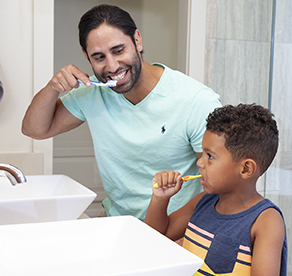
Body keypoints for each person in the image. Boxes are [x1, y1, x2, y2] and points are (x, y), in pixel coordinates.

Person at [22, 4, 221, 221]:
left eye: (118, 51)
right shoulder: (91, 94)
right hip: (117, 223)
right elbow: (34, 129)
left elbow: (218, 181)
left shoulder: (195, 100)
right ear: (86, 57)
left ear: (137, 40)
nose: (112, 66)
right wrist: (53, 87)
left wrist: (176, 236)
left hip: (175, 231)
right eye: (99, 57)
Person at [145, 103, 287, 275]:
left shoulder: (266, 221)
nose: (200, 162)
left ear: (246, 169)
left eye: (210, 156)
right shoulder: (201, 203)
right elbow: (157, 239)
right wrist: (160, 199)